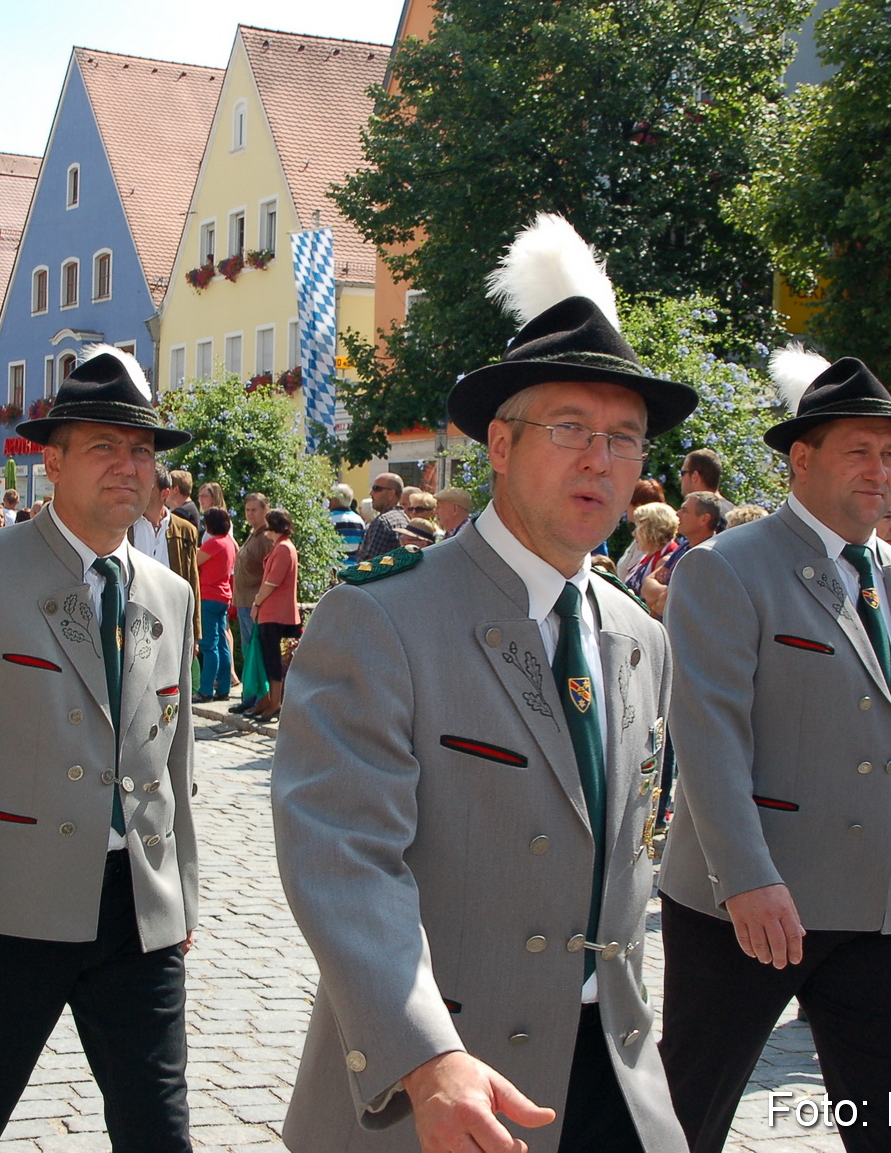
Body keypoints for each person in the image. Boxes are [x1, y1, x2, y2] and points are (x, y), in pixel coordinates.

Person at [273, 213, 696, 1152]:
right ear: (498, 446)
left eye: (625, 438)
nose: (602, 458)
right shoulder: (386, 616)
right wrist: (428, 1057)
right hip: (445, 1082)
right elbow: (343, 856)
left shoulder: (635, 633)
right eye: (570, 428)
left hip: (612, 1079)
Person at [0, 344, 200, 1153]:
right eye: (104, 445)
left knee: (159, 1129)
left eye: (141, 450)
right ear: (51, 460)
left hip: (134, 909)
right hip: (7, 909)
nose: (128, 466)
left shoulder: (169, 593)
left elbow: (175, 767)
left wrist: (180, 893)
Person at [660, 348, 891, 1153]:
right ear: (802, 458)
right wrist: (748, 877)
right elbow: (709, 737)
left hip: (881, 909)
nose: (881, 470)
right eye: (859, 450)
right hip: (755, 904)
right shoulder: (727, 567)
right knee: (684, 1115)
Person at [132, 464, 203, 642]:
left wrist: (195, 632)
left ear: (165, 493)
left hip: (171, 618)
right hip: (133, 617)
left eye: (148, 487)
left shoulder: (184, 530)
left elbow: (192, 582)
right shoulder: (125, 527)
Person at [247, 508, 301, 722]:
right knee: (267, 657)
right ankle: (268, 699)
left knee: (272, 658)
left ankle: (275, 702)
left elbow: (272, 581)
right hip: (272, 611)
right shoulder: (281, 547)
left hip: (275, 612)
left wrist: (257, 601)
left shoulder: (284, 549)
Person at [640, 492, 730, 619]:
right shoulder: (684, 547)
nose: (677, 514)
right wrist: (667, 596)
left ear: (704, 519)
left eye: (685, 511)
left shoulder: (711, 556)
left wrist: (662, 598)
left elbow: (689, 603)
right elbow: (647, 586)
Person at [229, 494, 273, 715]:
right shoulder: (253, 534)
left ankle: (259, 698)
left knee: (256, 652)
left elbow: (270, 572)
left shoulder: (266, 537)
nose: (249, 514)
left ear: (266, 510)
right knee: (248, 652)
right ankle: (250, 695)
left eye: (254, 510)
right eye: (247, 510)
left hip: (255, 602)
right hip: (244, 601)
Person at [195, 507, 238, 704]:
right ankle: (224, 687)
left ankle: (206, 689)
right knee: (221, 643)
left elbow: (195, 561)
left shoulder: (214, 544)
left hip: (208, 595)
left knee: (209, 645)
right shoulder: (229, 543)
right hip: (223, 596)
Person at [614, 478, 666, 580]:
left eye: (629, 502)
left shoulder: (652, 543)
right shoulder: (638, 538)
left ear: (638, 507)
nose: (625, 508)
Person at [623, 501, 678, 596]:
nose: (634, 533)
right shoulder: (650, 554)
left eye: (637, 528)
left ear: (649, 531)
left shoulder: (665, 560)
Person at [358, 474, 408, 560]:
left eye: (376, 488)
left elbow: (370, 565)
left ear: (391, 494)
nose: (371, 493)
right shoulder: (405, 519)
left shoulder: (382, 522)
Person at [329, 483, 365, 560]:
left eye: (330, 499)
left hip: (333, 567)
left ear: (336, 500)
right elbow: (361, 548)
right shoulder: (360, 521)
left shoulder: (329, 519)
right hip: (353, 567)